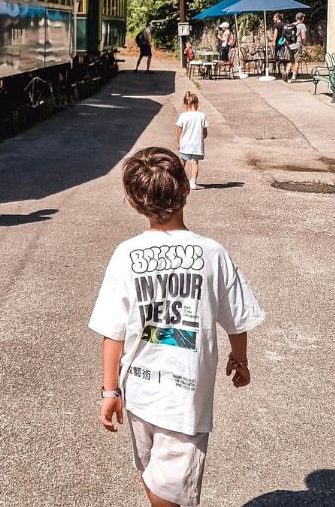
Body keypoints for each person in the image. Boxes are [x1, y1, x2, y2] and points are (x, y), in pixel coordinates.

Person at [89, 147, 265, 507]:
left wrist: (110, 392)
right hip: (187, 399)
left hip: (138, 392)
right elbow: (237, 318)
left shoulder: (126, 254)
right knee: (165, 485)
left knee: (157, 478)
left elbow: (113, 332)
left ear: (132, 202)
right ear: (185, 190)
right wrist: (241, 359)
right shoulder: (212, 253)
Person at [176, 91, 207, 190]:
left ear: (185, 104)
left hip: (185, 143)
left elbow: (179, 131)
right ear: (196, 103)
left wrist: (178, 142)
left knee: (182, 161)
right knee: (195, 162)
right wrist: (203, 136)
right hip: (197, 144)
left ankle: (178, 180)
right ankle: (193, 182)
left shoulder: (183, 116)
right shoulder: (202, 116)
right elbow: (205, 132)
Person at [284, 12, 308, 82]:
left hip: (289, 46)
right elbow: (303, 37)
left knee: (291, 61)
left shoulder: (291, 25)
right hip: (297, 45)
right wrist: (303, 44)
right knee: (297, 61)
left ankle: (286, 72)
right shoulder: (302, 25)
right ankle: (293, 77)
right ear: (302, 18)